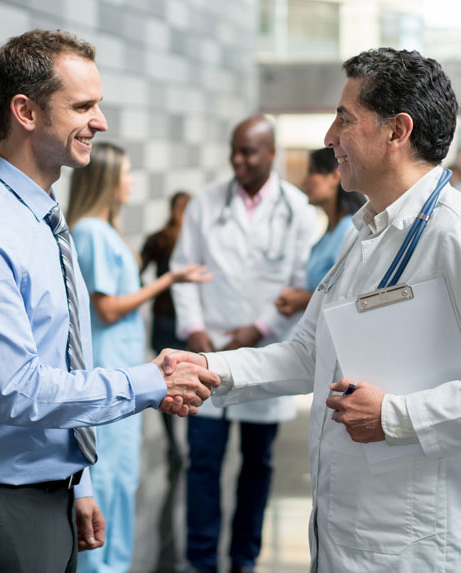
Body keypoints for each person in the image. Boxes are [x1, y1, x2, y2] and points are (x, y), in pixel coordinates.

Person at [165, 48, 461, 571]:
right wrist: (212, 368)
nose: (329, 137)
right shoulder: (367, 231)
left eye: (344, 119)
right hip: (350, 533)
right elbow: (311, 354)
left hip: (418, 544)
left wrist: (396, 416)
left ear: (397, 131)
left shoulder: (459, 234)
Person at [0, 29, 217, 572]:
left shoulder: (45, 222)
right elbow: (19, 391)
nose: (100, 123)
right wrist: (151, 381)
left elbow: (62, 358)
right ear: (25, 111)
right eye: (83, 106)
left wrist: (77, 480)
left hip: (45, 495)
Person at [170, 115, 318, 573]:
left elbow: (300, 285)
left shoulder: (297, 210)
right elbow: (182, 271)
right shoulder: (205, 203)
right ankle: (200, 560)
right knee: (204, 462)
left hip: (263, 353)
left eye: (248, 152)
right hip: (207, 351)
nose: (238, 160)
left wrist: (259, 329)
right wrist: (194, 331)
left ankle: (244, 559)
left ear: (271, 153)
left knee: (258, 464)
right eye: (234, 150)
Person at [66, 144, 210, 573]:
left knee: (121, 476)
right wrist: (166, 279)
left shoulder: (104, 231)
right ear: (107, 181)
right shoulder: (91, 232)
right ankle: (100, 566)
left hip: (125, 369)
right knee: (106, 477)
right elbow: (107, 308)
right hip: (109, 370)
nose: (130, 182)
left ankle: (113, 563)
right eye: (126, 174)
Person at [274, 147, 365, 317]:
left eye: (312, 172)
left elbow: (351, 298)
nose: (304, 183)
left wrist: (305, 300)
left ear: (335, 176)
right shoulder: (329, 233)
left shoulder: (350, 230)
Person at [141, 190, 193, 463]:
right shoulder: (194, 242)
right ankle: (186, 443)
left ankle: (174, 444)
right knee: (192, 381)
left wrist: (149, 292)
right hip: (187, 322)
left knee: (166, 384)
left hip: (164, 318)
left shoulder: (158, 239)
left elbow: (135, 273)